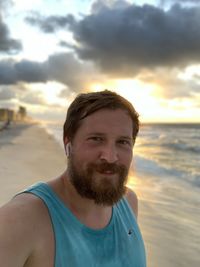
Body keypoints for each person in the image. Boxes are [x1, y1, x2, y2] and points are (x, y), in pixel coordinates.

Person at [0, 90, 146, 267]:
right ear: (68, 143)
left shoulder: (129, 202)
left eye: (122, 142)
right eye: (96, 139)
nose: (110, 156)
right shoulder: (20, 220)